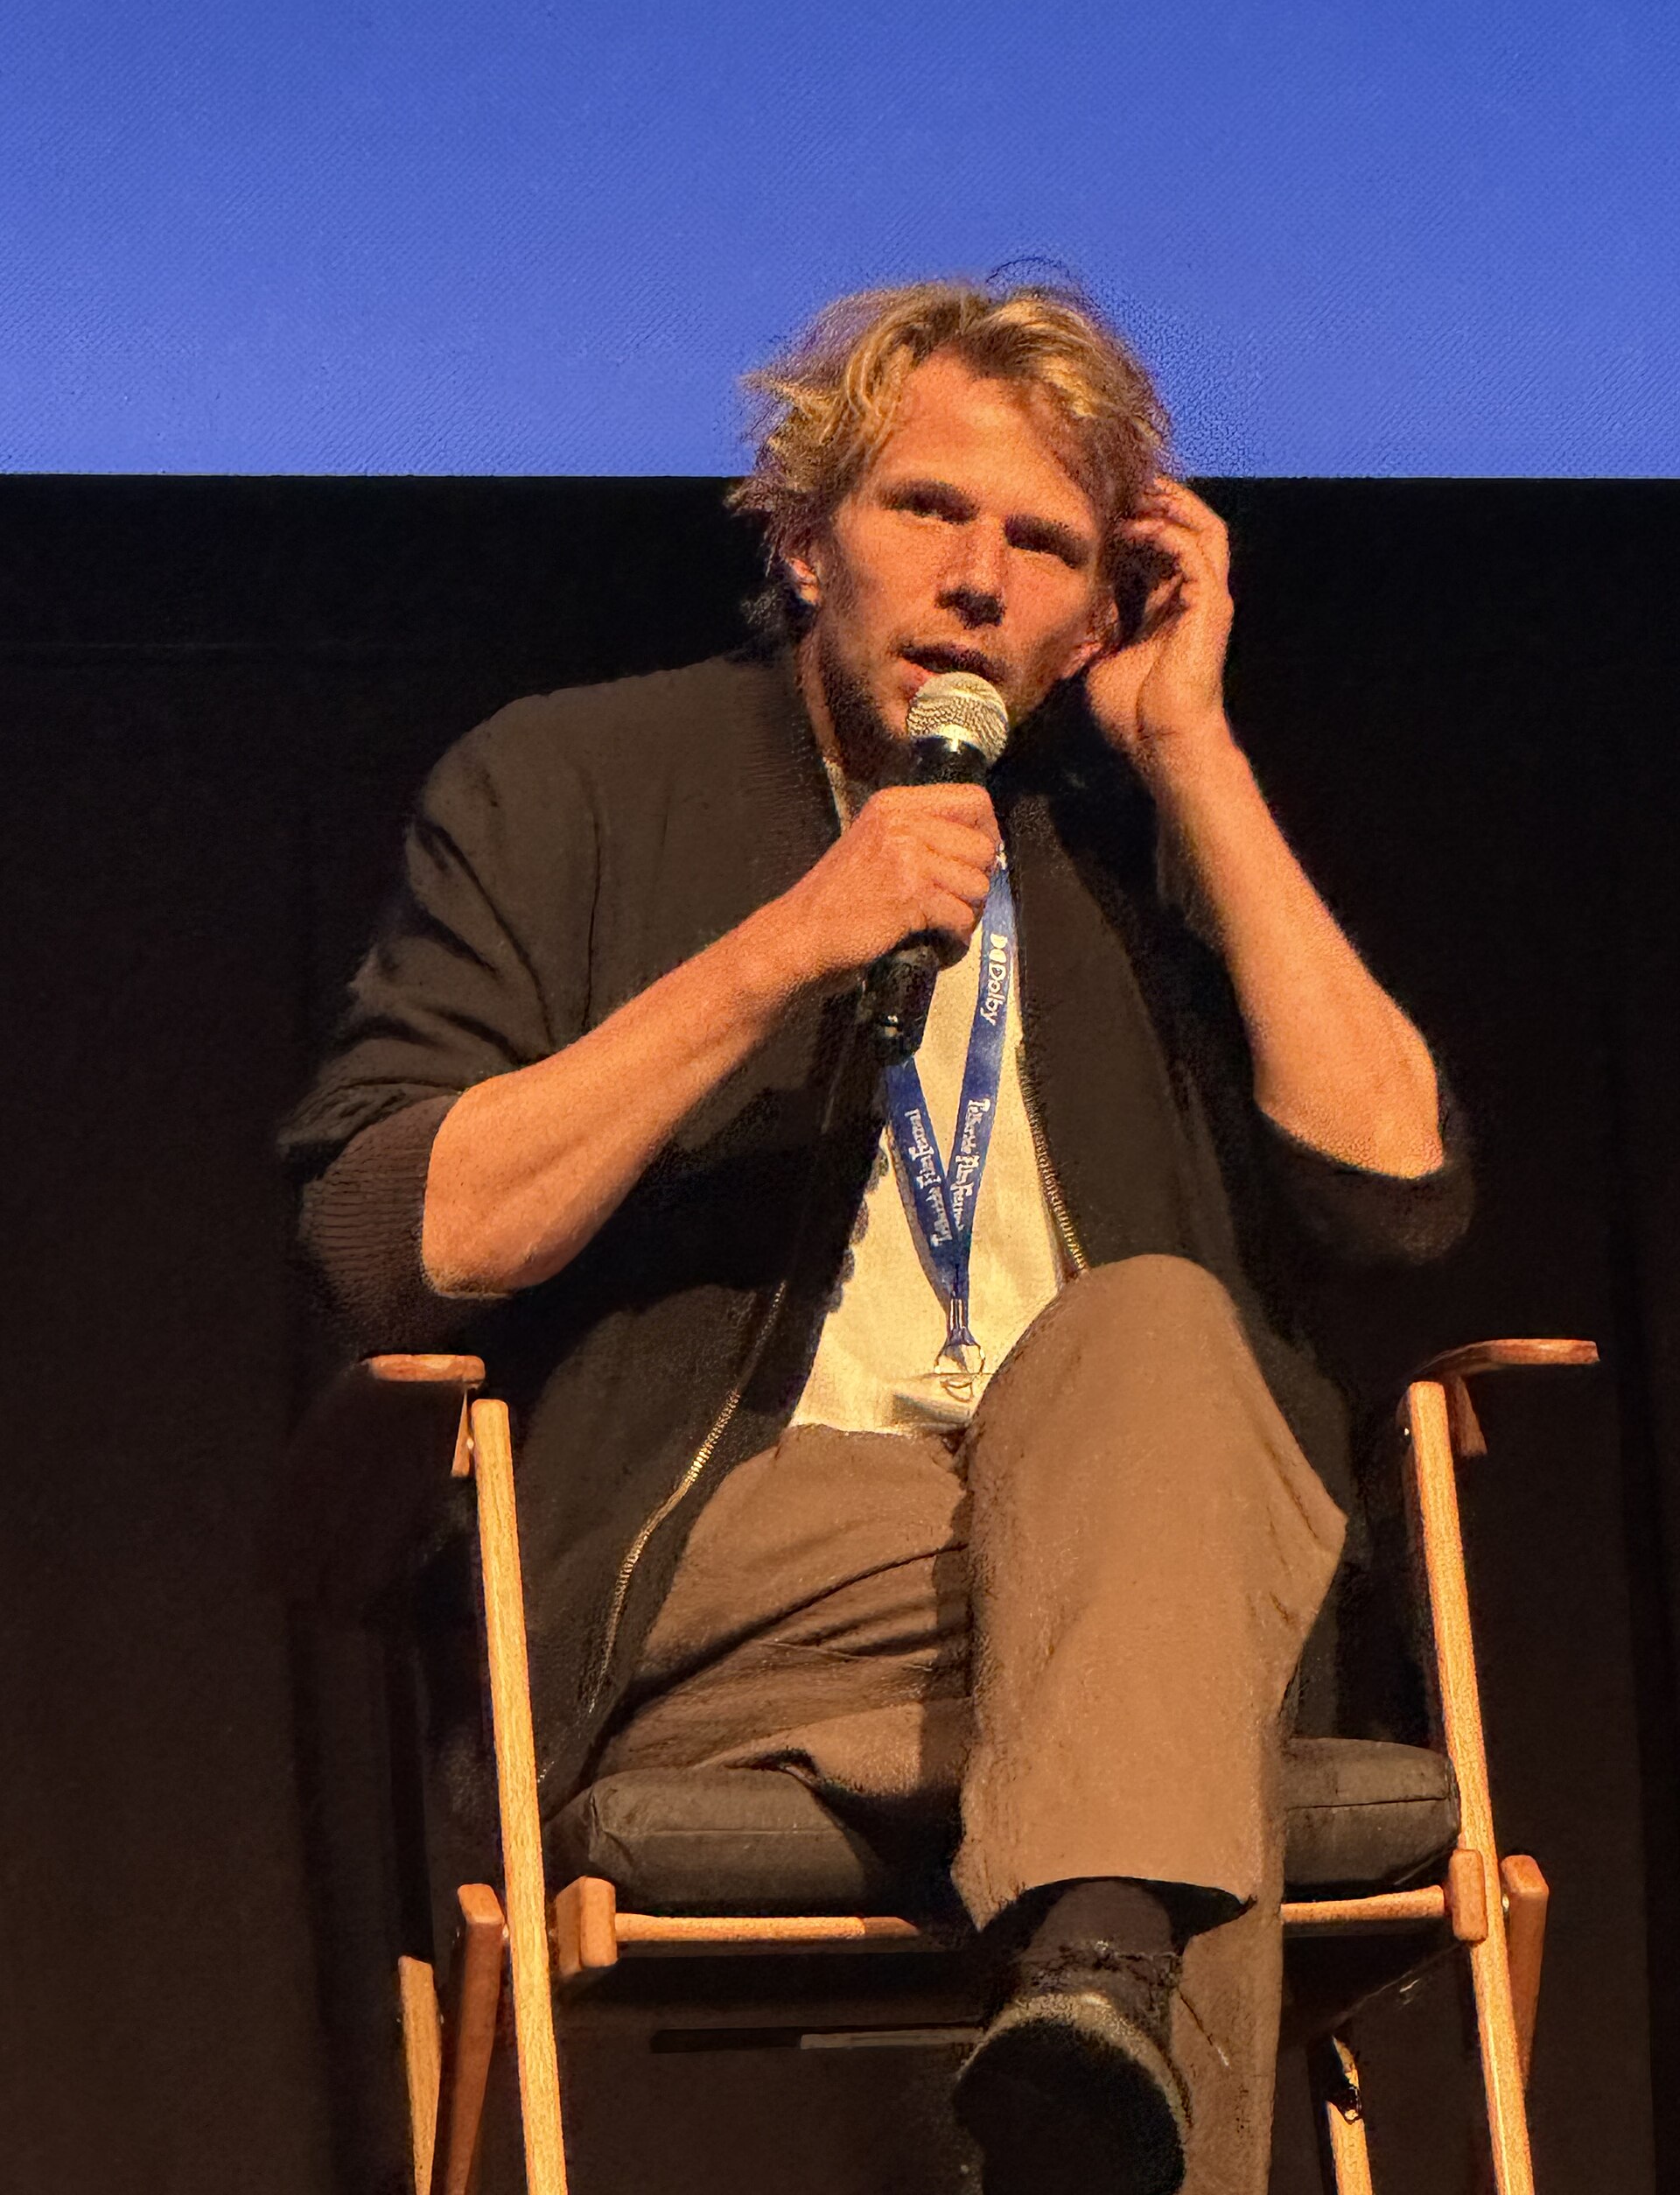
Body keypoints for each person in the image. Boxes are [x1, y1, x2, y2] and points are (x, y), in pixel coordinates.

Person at [281, 282, 1471, 2193]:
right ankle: (1119, 1946)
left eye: (1048, 543)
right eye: (931, 509)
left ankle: (1098, 1964)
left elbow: (1397, 1186)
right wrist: (788, 940)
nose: (982, 577)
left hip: (1109, 1545)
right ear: (804, 532)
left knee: (1163, 1338)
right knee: (1193, 1650)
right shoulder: (571, 783)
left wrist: (1196, 755)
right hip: (740, 1582)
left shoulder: (1123, 854)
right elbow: (397, 1232)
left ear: (1104, 605)